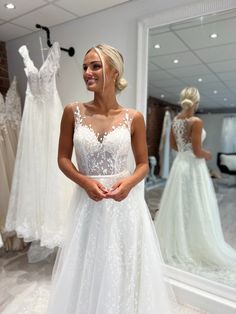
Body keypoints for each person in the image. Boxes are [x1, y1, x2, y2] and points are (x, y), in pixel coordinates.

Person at [46, 44, 174, 313]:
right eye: (84, 67)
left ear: (114, 72)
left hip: (123, 205)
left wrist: (128, 183)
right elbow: (63, 159)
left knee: (122, 266)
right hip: (87, 203)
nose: (87, 72)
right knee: (86, 265)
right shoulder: (73, 111)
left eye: (95, 66)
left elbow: (142, 165)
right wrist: (84, 181)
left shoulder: (133, 118)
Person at [154, 87, 236, 286]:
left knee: (180, 204)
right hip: (193, 167)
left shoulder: (176, 121)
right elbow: (199, 151)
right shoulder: (196, 121)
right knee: (196, 204)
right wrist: (208, 154)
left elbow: (174, 146)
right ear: (196, 102)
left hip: (180, 166)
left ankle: (179, 241)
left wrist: (186, 150)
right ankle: (192, 241)